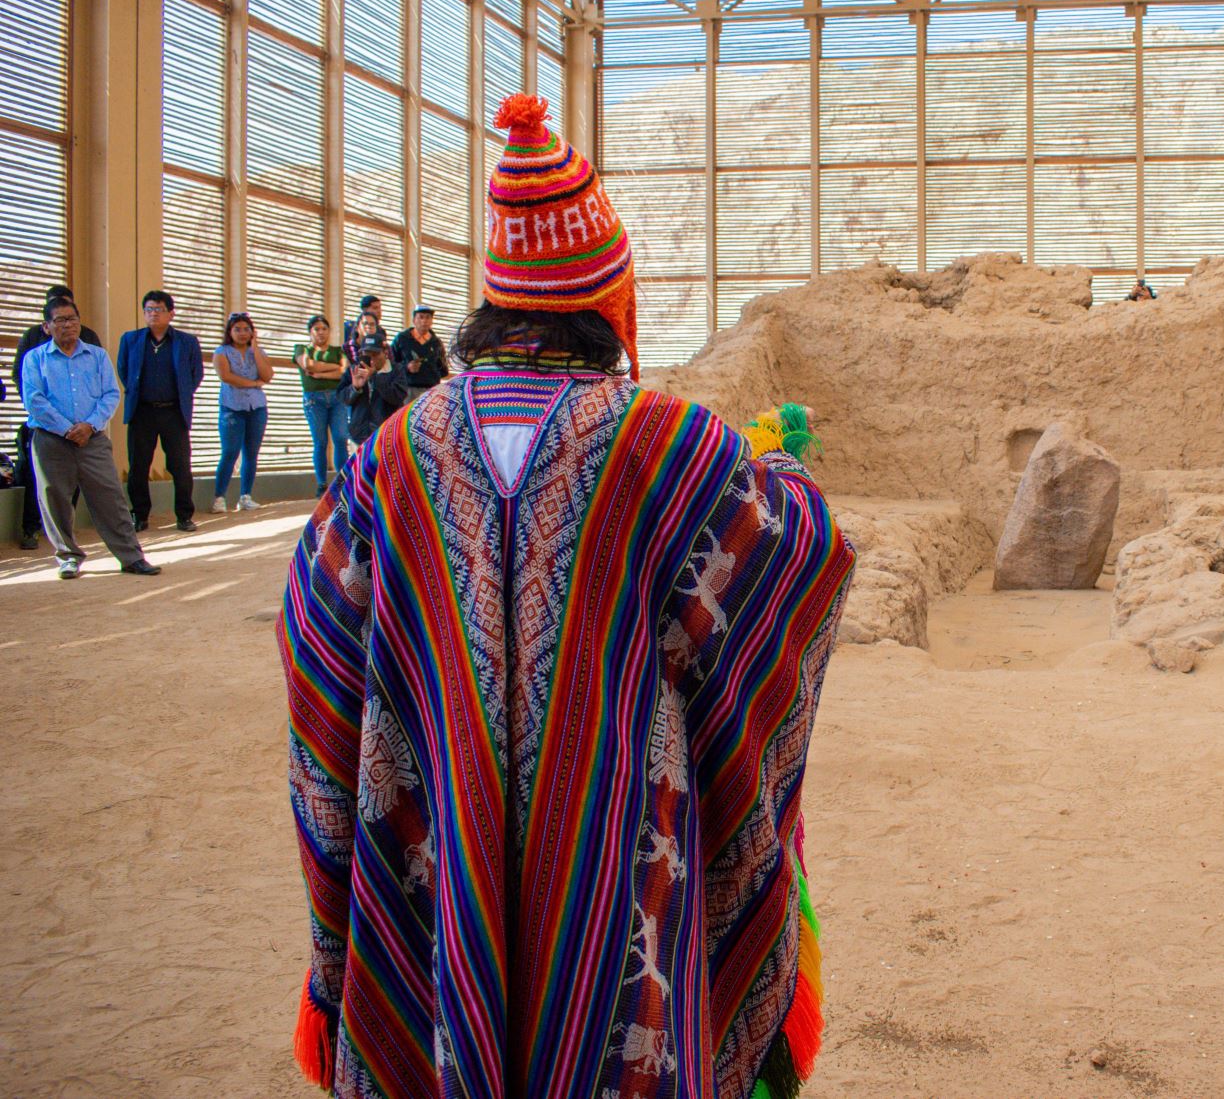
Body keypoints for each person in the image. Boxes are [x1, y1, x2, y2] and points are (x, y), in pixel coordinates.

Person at [283, 94, 855, 1099]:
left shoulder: (392, 459)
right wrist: (786, 473)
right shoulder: (666, 447)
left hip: (435, 870)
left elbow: (320, 629)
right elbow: (790, 557)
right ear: (607, 302)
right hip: (627, 877)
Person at [19, 297, 160, 578]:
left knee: (111, 497)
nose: (68, 325)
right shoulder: (35, 359)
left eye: (72, 319)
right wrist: (67, 429)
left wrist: (89, 426)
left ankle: (131, 557)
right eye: (60, 320)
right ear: (47, 327)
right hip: (51, 440)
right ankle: (68, 557)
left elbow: (110, 394)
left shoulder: (97, 356)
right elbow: (34, 399)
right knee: (55, 499)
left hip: (92, 439)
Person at [13, 285, 100, 550]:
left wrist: (83, 423)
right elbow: (20, 377)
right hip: (43, 425)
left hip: (81, 427)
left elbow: (98, 381)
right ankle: (30, 529)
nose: (66, 322)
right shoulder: (32, 337)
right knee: (33, 476)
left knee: (71, 482)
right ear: (48, 319)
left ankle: (65, 532)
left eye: (69, 313)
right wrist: (50, 416)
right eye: (58, 314)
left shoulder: (89, 338)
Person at [116, 289, 205, 533]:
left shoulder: (186, 341)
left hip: (174, 412)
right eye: (149, 310)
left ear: (171, 313)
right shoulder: (130, 340)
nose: (153, 314)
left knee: (180, 466)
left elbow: (196, 374)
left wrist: (180, 395)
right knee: (138, 466)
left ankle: (184, 516)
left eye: (159, 309)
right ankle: (140, 515)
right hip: (142, 411)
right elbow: (124, 370)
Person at [212, 311, 274, 513]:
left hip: (256, 407)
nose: (242, 333)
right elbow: (226, 376)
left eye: (247, 329)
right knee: (230, 451)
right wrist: (253, 383)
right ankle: (219, 497)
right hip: (232, 407)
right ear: (230, 331)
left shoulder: (258, 351)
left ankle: (245, 496)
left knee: (251, 453)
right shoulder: (222, 351)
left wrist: (255, 349)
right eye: (237, 329)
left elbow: (267, 375)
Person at [293, 315, 349, 496]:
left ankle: (342, 483)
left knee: (340, 438)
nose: (321, 332)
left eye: (324, 328)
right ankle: (322, 483)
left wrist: (320, 373)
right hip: (313, 400)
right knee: (320, 441)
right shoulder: (301, 349)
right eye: (316, 329)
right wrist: (332, 368)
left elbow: (344, 371)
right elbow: (308, 365)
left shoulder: (339, 350)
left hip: (337, 398)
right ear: (310, 332)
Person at [337, 339, 407, 446]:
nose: (372, 359)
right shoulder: (354, 370)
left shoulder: (397, 370)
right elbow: (342, 398)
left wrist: (375, 377)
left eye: (375, 354)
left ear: (385, 353)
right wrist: (355, 387)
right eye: (367, 355)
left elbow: (397, 397)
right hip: (359, 435)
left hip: (387, 436)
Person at [389, 303, 449, 402]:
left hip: (431, 391)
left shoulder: (436, 343)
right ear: (414, 320)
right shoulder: (402, 339)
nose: (424, 321)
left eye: (428, 317)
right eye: (420, 317)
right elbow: (391, 364)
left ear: (431, 321)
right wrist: (406, 368)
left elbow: (443, 369)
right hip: (408, 390)